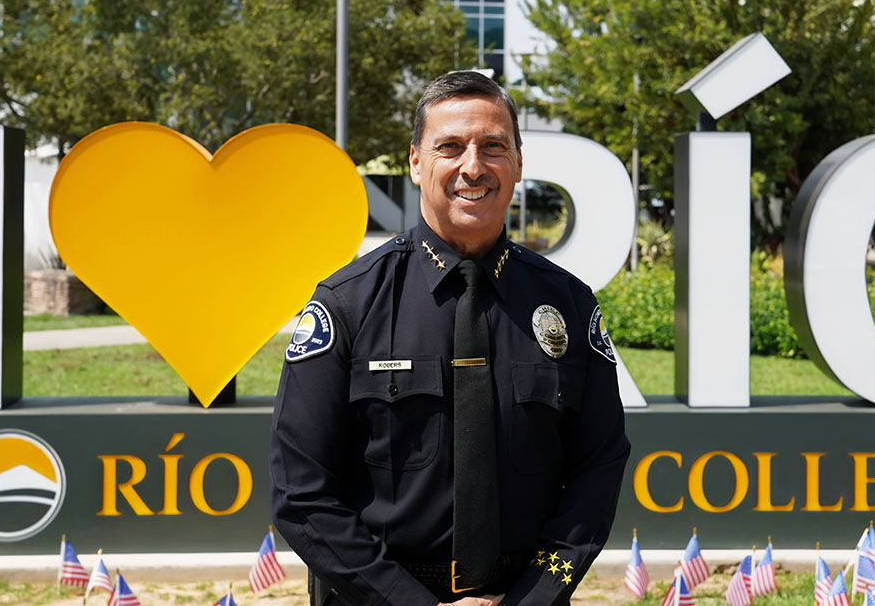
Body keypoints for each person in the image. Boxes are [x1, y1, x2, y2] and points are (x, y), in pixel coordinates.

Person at [270, 70, 630, 606]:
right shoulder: (347, 304)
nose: (473, 166)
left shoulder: (570, 306)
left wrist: (533, 596)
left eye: (493, 146)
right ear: (415, 162)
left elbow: (599, 466)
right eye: (450, 146)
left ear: (518, 163)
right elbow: (301, 493)